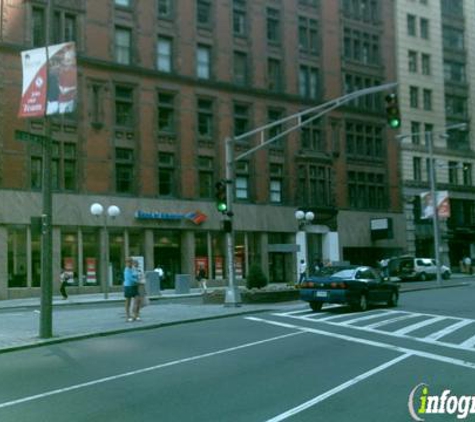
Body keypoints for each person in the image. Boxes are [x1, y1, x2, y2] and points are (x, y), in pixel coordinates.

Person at [123, 257, 139, 322]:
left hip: (134, 286)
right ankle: (128, 316)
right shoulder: (127, 269)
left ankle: (135, 315)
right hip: (128, 286)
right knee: (128, 302)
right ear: (126, 263)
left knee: (137, 301)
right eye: (128, 262)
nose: (129, 263)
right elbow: (130, 278)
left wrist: (137, 278)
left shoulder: (133, 269)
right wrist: (137, 281)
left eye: (130, 262)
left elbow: (136, 275)